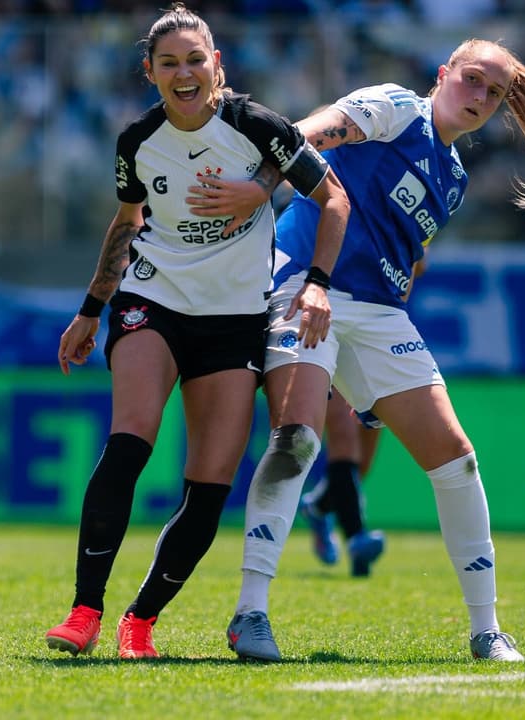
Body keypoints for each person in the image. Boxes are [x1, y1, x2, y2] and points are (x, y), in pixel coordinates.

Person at [190, 38, 525, 662]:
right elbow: (312, 130)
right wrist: (263, 184)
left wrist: (405, 263)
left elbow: (407, 246)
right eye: (472, 80)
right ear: (443, 74)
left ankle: (487, 630)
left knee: (457, 459)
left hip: (377, 314)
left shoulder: (452, 177)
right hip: (302, 285)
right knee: (296, 439)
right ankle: (250, 613)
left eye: (494, 93)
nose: (479, 98)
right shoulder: (398, 107)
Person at [43, 3, 349, 660]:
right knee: (131, 442)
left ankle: (141, 620)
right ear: (149, 72)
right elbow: (127, 224)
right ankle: (84, 611)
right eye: (169, 63)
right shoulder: (137, 141)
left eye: (194, 60)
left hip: (235, 319)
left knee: (210, 485)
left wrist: (318, 281)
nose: (184, 73)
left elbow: (334, 200)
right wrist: (92, 309)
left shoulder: (259, 129)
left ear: (218, 65)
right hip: (152, 301)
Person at [298, 386, 386, 577]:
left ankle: (318, 507)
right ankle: (357, 538)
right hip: (333, 360)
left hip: (374, 360)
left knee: (361, 463)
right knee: (343, 434)